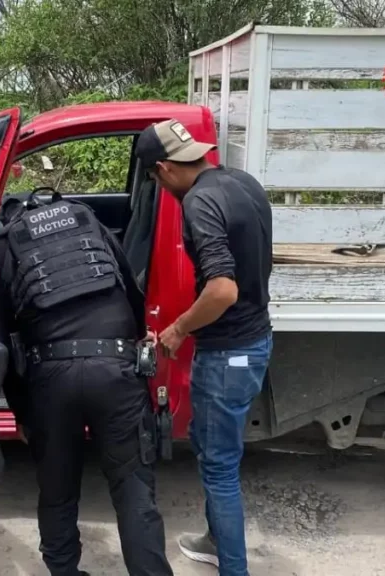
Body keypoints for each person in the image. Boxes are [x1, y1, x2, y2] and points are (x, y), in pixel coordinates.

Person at [0, 192, 174, 576]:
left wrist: (22, 412)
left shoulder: (4, 245)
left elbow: (3, 341)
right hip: (116, 368)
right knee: (132, 489)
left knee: (57, 489)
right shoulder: (89, 222)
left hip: (51, 377)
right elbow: (130, 287)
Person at [134, 119, 273, 575]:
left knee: (219, 468)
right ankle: (216, 541)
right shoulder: (241, 182)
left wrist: (176, 330)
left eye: (154, 179)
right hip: (253, 340)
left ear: (163, 169)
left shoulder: (199, 202)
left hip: (229, 353)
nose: (158, 186)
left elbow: (222, 290)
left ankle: (234, 569)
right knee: (208, 443)